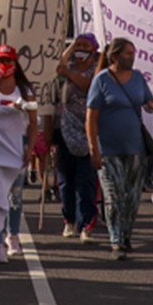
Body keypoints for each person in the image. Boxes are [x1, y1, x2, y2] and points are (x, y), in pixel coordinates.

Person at [87, 38, 153, 260]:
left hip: (136, 149)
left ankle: (126, 236)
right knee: (114, 197)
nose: (132, 57)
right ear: (114, 56)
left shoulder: (138, 79)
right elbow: (91, 118)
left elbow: (149, 103)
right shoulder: (102, 81)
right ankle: (116, 240)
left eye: (133, 52)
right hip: (109, 149)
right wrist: (93, 148)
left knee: (132, 198)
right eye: (127, 53)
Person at [0, 44, 38, 263]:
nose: (4, 65)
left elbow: (32, 122)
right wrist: (6, 108)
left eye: (8, 61)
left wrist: (29, 149)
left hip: (16, 145)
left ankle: (13, 235)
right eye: (0, 61)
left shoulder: (25, 89)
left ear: (15, 63)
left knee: (15, 196)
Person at [50, 36, 100, 239]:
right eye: (78, 46)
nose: (80, 49)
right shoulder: (67, 66)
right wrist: (71, 46)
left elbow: (90, 87)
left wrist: (69, 73)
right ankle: (69, 220)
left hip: (88, 130)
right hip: (65, 131)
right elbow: (58, 64)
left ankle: (85, 223)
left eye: (85, 46)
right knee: (65, 180)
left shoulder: (98, 68)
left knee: (85, 180)